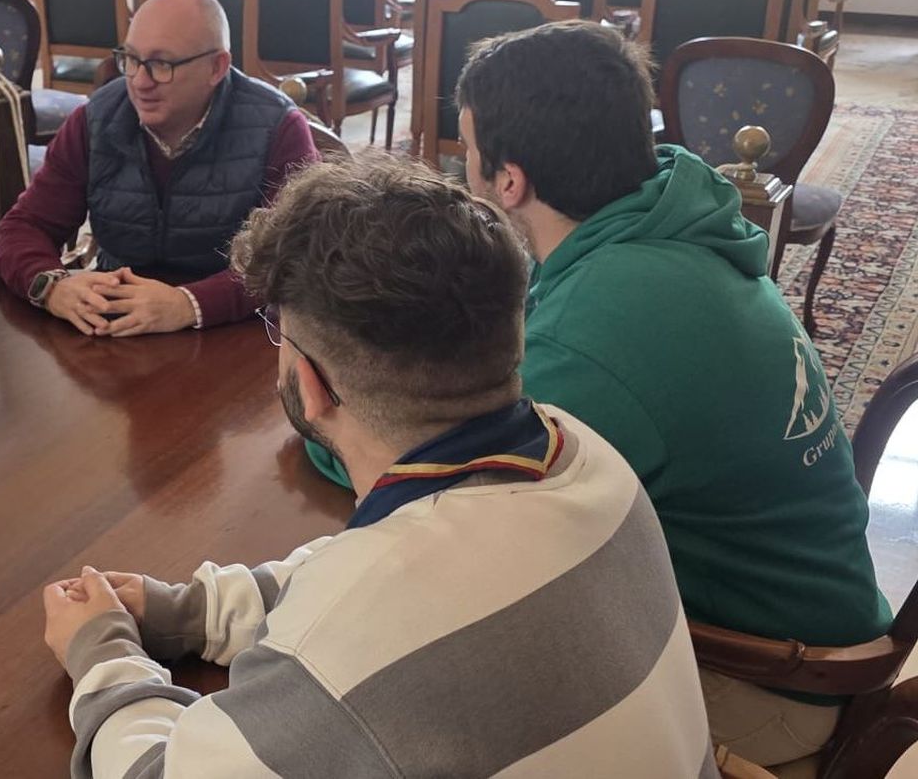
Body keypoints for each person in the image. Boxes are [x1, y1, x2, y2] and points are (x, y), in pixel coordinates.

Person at [311, 20, 887, 767]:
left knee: (402, 691)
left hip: (766, 679)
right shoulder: (663, 220)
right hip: (809, 609)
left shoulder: (603, 329)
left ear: (508, 181)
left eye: (468, 154)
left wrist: (323, 412)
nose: (464, 173)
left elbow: (431, 473)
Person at [43, 155, 716, 778]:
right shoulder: (581, 451)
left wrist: (102, 651)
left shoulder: (349, 650)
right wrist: (192, 611)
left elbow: (154, 770)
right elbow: (354, 577)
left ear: (310, 384)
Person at [0, 0, 317, 337]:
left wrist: (189, 303)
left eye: (162, 65)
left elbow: (295, 258)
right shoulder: (96, 120)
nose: (140, 81)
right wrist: (52, 286)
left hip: (235, 334)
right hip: (116, 328)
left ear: (216, 67)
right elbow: (24, 226)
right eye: (131, 60)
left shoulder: (278, 128)